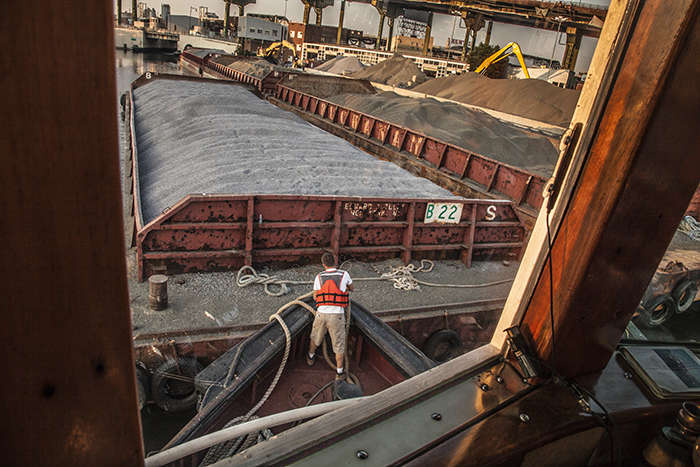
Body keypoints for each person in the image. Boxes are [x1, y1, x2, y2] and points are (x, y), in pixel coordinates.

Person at [307, 253, 354, 380]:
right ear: (336, 262)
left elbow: (316, 296)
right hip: (337, 315)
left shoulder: (319, 277)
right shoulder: (344, 274)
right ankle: (339, 372)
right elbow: (352, 288)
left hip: (321, 314)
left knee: (315, 337)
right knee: (338, 345)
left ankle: (310, 357)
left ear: (323, 265)